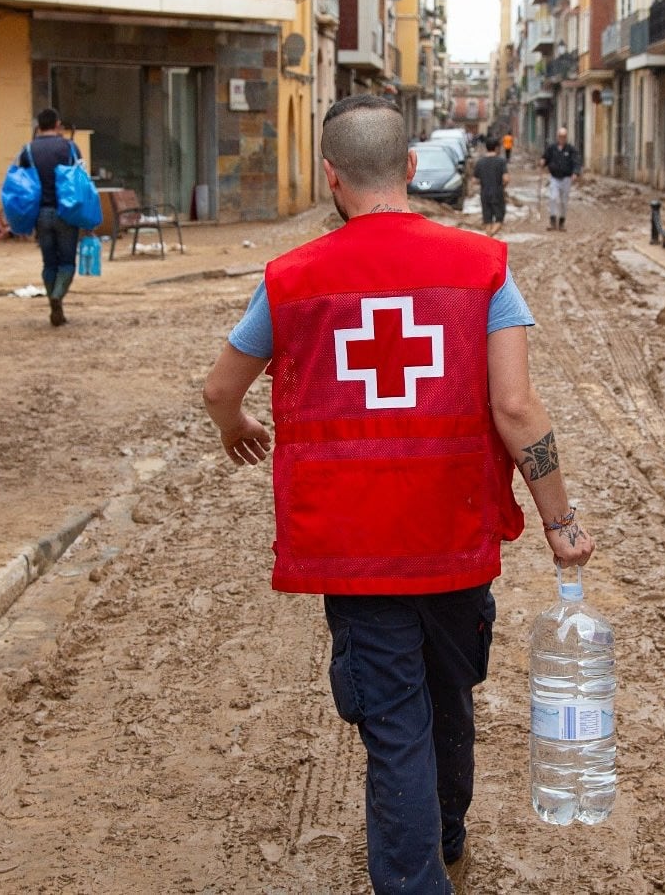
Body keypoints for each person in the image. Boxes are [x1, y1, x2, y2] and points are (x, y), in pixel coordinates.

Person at [203, 94, 594, 894]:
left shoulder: (290, 281)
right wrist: (561, 522)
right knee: (449, 695)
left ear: (330, 176)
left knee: (394, 728)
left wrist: (236, 424)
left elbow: (219, 388)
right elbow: (517, 408)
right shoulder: (482, 269)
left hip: (352, 551)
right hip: (453, 538)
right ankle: (447, 837)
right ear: (411, 170)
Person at [19, 108, 82, 326]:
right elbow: (80, 181)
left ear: (39, 126)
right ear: (57, 124)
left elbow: (22, 184)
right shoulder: (70, 148)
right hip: (67, 212)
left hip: (41, 214)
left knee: (49, 263)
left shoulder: (27, 150)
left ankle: (54, 304)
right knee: (67, 262)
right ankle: (58, 296)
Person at [539, 126, 581, 232]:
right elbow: (545, 157)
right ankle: (552, 220)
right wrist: (543, 161)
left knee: (563, 201)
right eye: (560, 136)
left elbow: (576, 162)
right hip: (554, 177)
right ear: (557, 137)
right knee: (553, 198)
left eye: (564, 136)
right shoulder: (552, 148)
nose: (562, 138)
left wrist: (575, 173)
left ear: (566, 137)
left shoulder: (571, 149)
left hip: (566, 178)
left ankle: (562, 222)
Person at [473, 137, 510, 234]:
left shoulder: (480, 162)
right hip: (497, 193)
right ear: (497, 148)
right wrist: (503, 186)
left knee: (487, 220)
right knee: (499, 220)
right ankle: (490, 237)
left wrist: (484, 180)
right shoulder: (501, 161)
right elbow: (506, 179)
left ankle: (488, 239)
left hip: (484, 193)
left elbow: (474, 180)